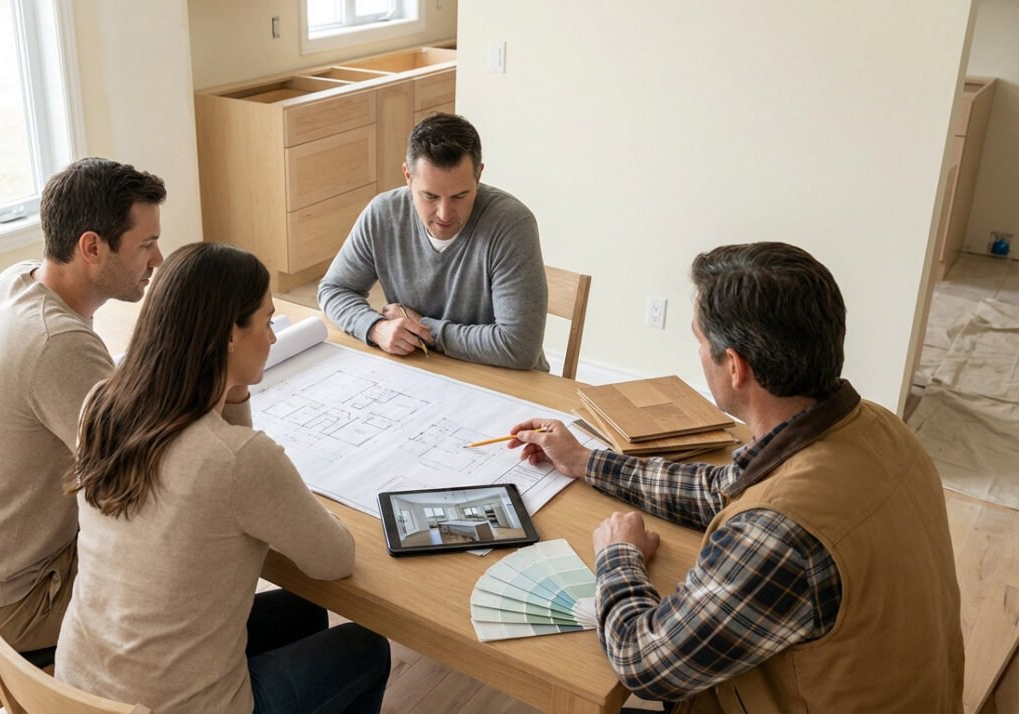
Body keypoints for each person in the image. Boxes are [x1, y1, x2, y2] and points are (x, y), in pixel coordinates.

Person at [509, 242, 964, 713]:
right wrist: (586, 460)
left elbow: (642, 661)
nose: (698, 353)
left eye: (699, 340)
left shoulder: (780, 531)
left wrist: (618, 555)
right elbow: (727, 488)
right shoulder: (876, 426)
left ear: (734, 366)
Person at [55, 242, 391, 713]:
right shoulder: (238, 460)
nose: (272, 338)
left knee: (305, 610)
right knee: (366, 648)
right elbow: (335, 559)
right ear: (230, 334)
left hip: (78, 692)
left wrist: (231, 389)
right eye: (267, 321)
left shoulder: (100, 405)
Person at [0, 157, 167, 651]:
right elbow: (146, 477)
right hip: (6, 604)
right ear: (92, 247)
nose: (158, 259)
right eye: (146, 244)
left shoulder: (14, 282)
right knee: (182, 572)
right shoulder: (57, 343)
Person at [317, 112, 549, 371]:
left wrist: (424, 329)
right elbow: (334, 289)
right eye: (430, 196)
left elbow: (519, 347)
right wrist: (375, 328)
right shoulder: (383, 214)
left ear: (478, 176)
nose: (444, 214)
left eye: (459, 196)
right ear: (407, 176)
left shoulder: (512, 224)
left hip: (504, 380)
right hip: (423, 371)